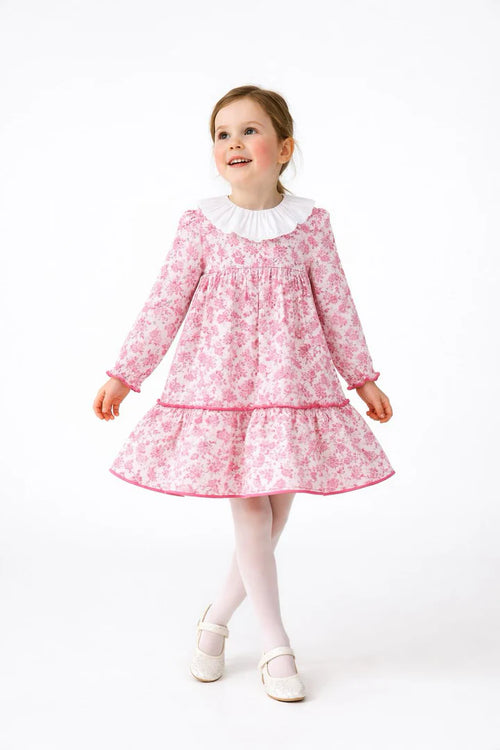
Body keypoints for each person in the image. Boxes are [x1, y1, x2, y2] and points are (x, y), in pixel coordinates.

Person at [93, 84, 395, 702]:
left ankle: (214, 621)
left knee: (275, 513)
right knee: (252, 512)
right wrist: (126, 373)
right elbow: (165, 303)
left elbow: (337, 304)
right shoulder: (200, 226)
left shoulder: (312, 226)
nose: (234, 142)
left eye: (249, 130)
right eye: (223, 133)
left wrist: (361, 377)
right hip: (221, 389)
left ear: (283, 149)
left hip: (291, 387)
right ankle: (276, 643)